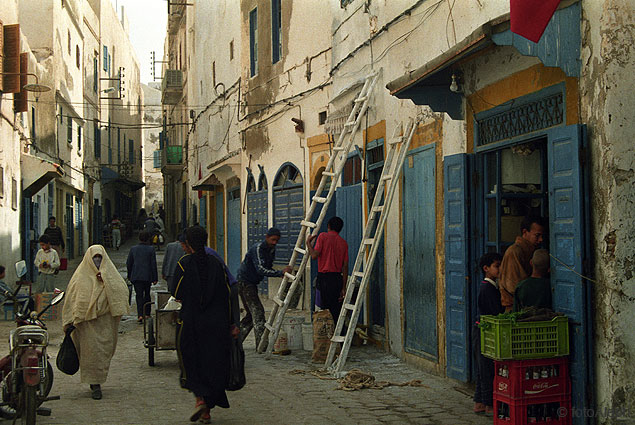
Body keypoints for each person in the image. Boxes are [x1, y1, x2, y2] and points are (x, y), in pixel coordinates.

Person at [171, 226, 238, 423]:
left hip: (191, 323)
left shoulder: (184, 264)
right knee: (213, 364)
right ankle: (207, 409)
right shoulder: (216, 264)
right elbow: (226, 295)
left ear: (188, 244)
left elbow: (176, 291)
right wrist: (232, 323)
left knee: (193, 361)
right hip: (216, 325)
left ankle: (200, 400)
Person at [62, 245, 129, 400]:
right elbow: (72, 300)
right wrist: (69, 322)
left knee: (102, 355)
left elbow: (121, 293)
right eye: (94, 258)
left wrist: (105, 283)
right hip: (87, 326)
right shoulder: (79, 277)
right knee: (90, 355)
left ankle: (97, 381)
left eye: (100, 258)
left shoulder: (112, 276)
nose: (97, 261)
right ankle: (95, 384)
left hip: (105, 324)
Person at [236, 227, 292, 348]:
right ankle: (261, 345)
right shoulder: (258, 249)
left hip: (251, 283)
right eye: (272, 240)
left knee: (252, 315)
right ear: (266, 237)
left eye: (277, 240)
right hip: (245, 283)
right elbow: (261, 269)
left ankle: (235, 341)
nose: (274, 243)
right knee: (258, 312)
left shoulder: (271, 250)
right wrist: (280, 273)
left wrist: (279, 273)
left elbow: (268, 268)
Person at [473, 252, 504, 415]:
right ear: (486, 269)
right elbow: (494, 312)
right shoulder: (487, 289)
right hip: (484, 332)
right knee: (486, 369)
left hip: (482, 330)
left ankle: (479, 402)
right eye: (496, 266)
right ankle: (489, 404)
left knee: (481, 369)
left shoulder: (490, 287)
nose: (500, 269)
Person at [498, 215, 546, 311]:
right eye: (537, 235)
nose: (541, 240)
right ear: (525, 232)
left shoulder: (532, 250)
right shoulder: (514, 251)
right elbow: (515, 286)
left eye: (542, 236)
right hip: (516, 308)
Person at [306, 216, 349, 322]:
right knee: (335, 311)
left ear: (328, 226)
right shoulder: (343, 243)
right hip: (337, 279)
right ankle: (335, 335)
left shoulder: (323, 236)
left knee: (323, 311)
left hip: (324, 279)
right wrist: (344, 287)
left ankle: (325, 336)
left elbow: (314, 256)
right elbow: (345, 267)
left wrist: (308, 244)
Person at [126, 230, 158, 322]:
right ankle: (147, 314)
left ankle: (140, 315)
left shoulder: (133, 249)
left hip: (136, 275)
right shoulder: (151, 249)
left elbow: (129, 263)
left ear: (139, 238)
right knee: (147, 294)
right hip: (147, 276)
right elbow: (153, 264)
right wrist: (155, 278)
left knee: (139, 295)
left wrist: (129, 275)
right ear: (148, 238)